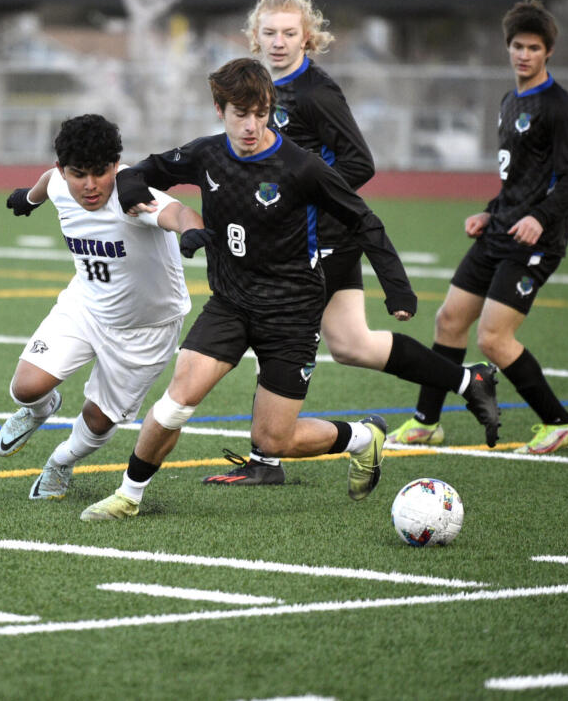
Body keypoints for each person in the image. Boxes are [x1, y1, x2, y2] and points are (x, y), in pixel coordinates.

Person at [79, 57, 415, 521]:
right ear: (220, 109)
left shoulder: (302, 167)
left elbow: (364, 221)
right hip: (231, 305)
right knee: (178, 398)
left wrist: (397, 291)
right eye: (241, 114)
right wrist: (162, 213)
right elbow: (136, 174)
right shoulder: (208, 153)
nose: (252, 125)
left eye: (262, 114)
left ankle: (362, 437)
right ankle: (128, 495)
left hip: (292, 314)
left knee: (274, 441)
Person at [201, 0, 502, 485]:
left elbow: (360, 161)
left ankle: (266, 460)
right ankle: (469, 380)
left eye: (290, 33)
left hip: (323, 238)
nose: (279, 42)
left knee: (276, 326)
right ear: (255, 36)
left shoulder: (316, 92)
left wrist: (305, 197)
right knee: (352, 345)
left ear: (308, 37)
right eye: (270, 33)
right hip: (305, 238)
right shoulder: (257, 88)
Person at [388, 0, 568, 454]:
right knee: (449, 320)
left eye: (534, 47)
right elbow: (518, 181)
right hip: (500, 230)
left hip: (536, 241)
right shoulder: (508, 100)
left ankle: (559, 423)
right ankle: (425, 422)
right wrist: (488, 211)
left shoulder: (558, 106)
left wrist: (539, 218)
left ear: (548, 51)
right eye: (517, 46)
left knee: (494, 338)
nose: (523, 54)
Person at [0, 114, 203, 500]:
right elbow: (47, 182)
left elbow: (176, 211)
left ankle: (60, 463)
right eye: (78, 174)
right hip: (86, 304)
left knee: (97, 418)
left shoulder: (133, 195)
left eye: (100, 172)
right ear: (64, 169)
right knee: (26, 388)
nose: (90, 186)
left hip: (147, 327)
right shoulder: (59, 182)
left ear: (116, 165)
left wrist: (191, 230)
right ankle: (41, 410)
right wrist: (29, 198)